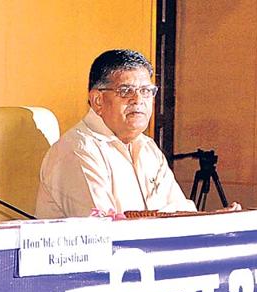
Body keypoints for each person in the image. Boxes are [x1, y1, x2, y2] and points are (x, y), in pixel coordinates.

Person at [35, 49, 197, 218]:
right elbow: (102, 231)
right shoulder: (77, 150)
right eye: (126, 91)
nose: (138, 100)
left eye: (146, 91)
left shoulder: (148, 148)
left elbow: (180, 215)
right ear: (98, 100)